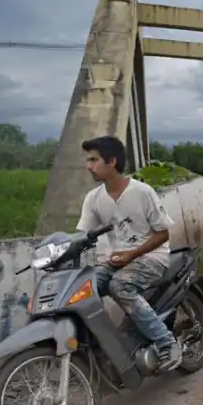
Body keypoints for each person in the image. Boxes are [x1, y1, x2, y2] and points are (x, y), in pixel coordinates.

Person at [75, 136, 184, 372]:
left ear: (112, 160)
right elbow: (81, 235)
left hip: (151, 257)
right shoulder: (93, 198)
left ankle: (167, 342)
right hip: (117, 261)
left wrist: (131, 254)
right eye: (88, 160)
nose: (88, 166)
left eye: (94, 160)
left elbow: (163, 233)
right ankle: (101, 350)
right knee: (83, 289)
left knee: (120, 286)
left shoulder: (142, 192)